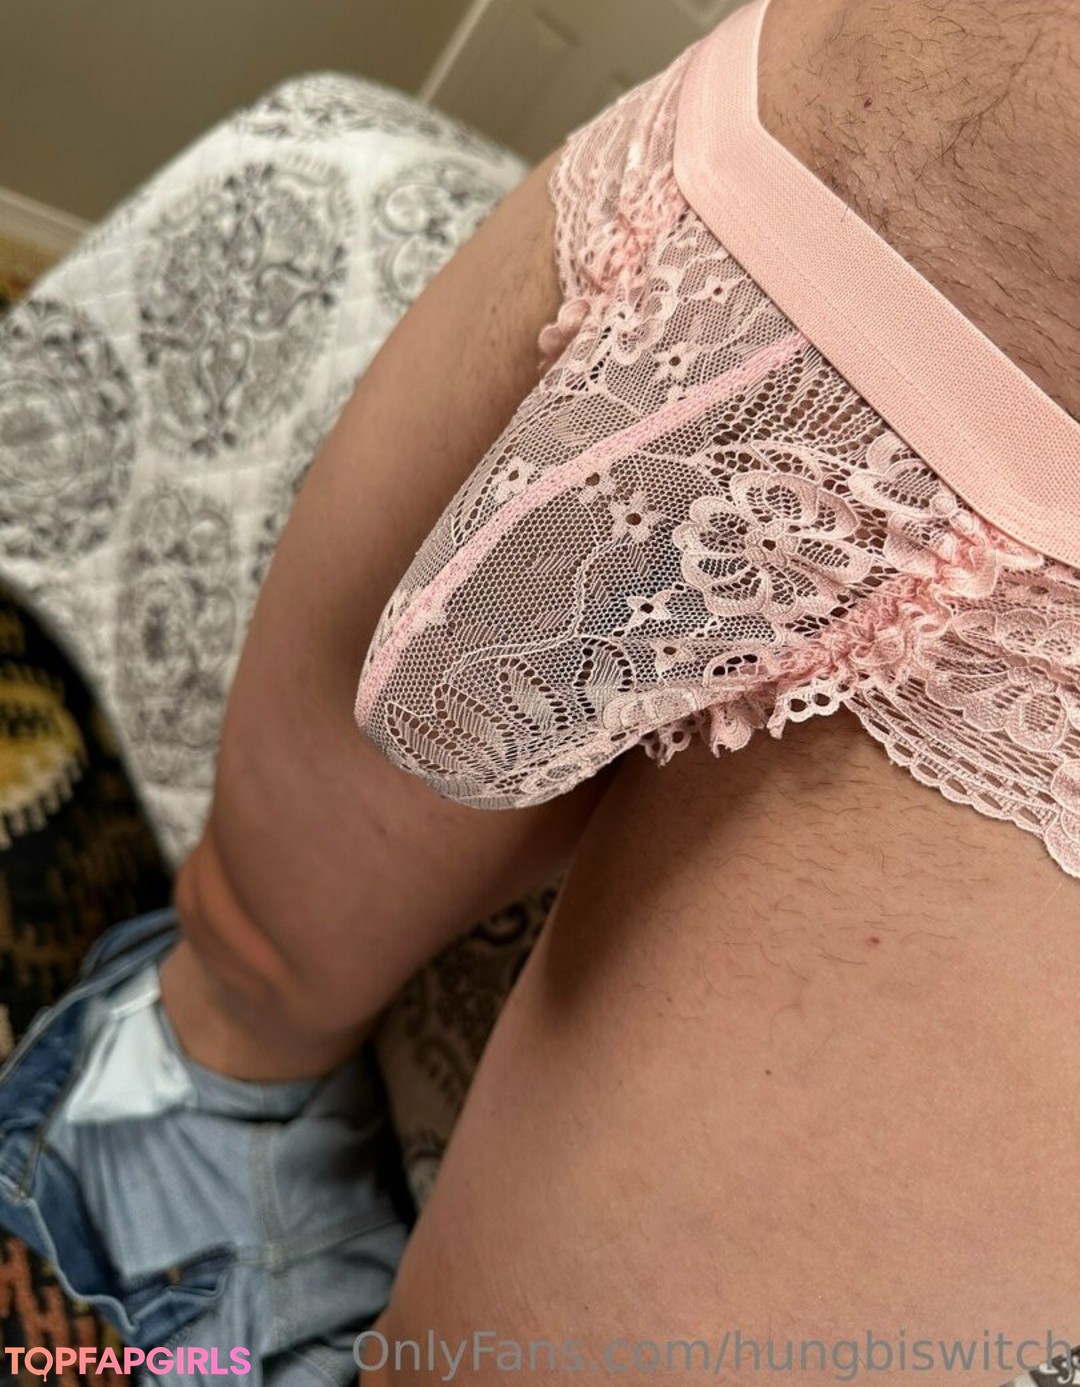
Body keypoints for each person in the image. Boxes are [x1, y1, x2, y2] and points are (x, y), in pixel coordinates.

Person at [3, 0, 1080, 1381]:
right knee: (243, 961)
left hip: (1040, 666)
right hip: (754, 175)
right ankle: (145, 1139)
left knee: (476, 1365)